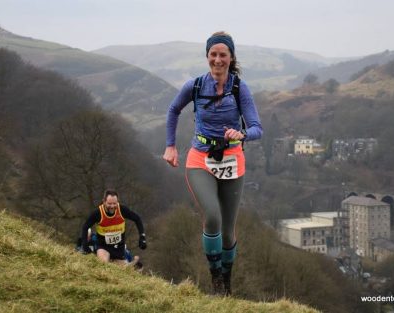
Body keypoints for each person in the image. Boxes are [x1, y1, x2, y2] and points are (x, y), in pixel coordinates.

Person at [163, 31, 262, 296]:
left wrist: (242, 134)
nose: (217, 60)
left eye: (223, 55)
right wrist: (170, 145)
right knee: (213, 217)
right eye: (213, 54)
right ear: (207, 56)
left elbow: (256, 128)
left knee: (228, 234)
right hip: (200, 160)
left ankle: (226, 285)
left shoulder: (240, 88)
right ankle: (215, 280)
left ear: (231, 58)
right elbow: (173, 110)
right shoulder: (194, 86)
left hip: (232, 160)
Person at [80, 189, 147, 265]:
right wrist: (85, 245)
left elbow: (137, 219)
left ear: (118, 201)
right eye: (109, 203)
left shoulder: (122, 210)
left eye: (114, 203)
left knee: (122, 271)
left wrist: (142, 237)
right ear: (104, 201)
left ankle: (131, 263)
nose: (112, 206)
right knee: (103, 264)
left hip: (119, 249)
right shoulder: (98, 213)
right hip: (103, 247)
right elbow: (85, 227)